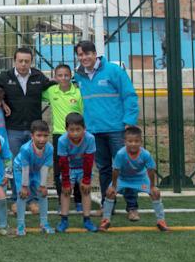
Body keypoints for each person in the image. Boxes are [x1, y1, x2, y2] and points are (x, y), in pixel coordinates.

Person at [73, 40, 140, 221]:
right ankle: (106, 205)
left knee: (125, 167)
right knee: (104, 169)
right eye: (80, 55)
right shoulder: (78, 76)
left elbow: (129, 95)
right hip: (94, 131)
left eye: (87, 54)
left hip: (117, 129)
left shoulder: (114, 70)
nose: (84, 58)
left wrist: (129, 121)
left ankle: (132, 207)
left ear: (95, 54)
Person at [0, 47, 53, 202]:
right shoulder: (5, 77)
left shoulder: (39, 76)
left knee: (33, 164)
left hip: (34, 131)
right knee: (13, 164)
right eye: (20, 61)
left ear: (31, 61)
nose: (24, 64)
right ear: (15, 61)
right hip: (13, 129)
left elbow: (55, 84)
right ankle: (16, 195)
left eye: (27, 61)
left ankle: (32, 197)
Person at [100, 126, 169, 232]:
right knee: (109, 193)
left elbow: (151, 169)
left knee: (155, 193)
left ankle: (161, 221)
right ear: (125, 142)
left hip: (140, 178)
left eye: (136, 141)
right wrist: (113, 186)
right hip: (123, 178)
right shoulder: (121, 154)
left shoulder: (145, 154)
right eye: (130, 141)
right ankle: (105, 220)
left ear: (141, 142)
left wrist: (152, 186)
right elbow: (116, 170)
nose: (133, 144)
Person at [42, 64, 84, 210]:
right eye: (60, 75)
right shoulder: (51, 91)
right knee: (60, 169)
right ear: (55, 77)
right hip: (59, 135)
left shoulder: (78, 93)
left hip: (77, 135)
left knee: (78, 167)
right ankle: (62, 200)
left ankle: (79, 200)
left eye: (66, 75)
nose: (63, 78)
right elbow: (35, 93)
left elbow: (84, 114)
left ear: (70, 75)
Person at [56, 113, 98, 233]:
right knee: (65, 191)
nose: (75, 133)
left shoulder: (90, 138)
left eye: (78, 130)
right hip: (68, 168)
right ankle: (64, 220)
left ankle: (87, 220)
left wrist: (86, 180)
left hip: (84, 168)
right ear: (66, 129)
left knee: (85, 190)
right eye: (71, 130)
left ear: (84, 129)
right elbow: (63, 162)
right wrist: (66, 182)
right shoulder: (62, 140)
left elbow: (89, 160)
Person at [13, 120, 55, 236]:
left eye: (45, 136)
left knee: (43, 193)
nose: (42, 139)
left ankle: (44, 223)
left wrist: (42, 185)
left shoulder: (50, 148)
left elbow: (46, 167)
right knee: (22, 195)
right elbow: (25, 168)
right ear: (32, 136)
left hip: (36, 170)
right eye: (39, 136)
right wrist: (24, 187)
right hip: (21, 169)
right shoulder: (25, 149)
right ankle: (21, 225)